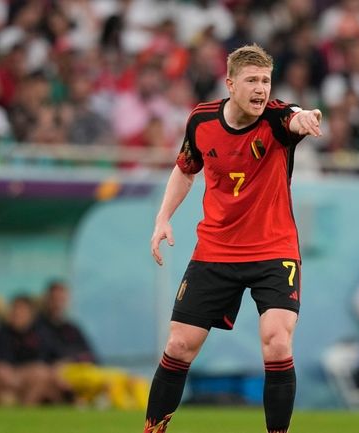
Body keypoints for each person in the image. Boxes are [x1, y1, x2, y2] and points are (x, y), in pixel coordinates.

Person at [147, 44, 322, 433]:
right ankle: (153, 430)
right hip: (217, 249)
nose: (261, 89)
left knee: (277, 342)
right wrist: (163, 218)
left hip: (273, 250)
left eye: (266, 80)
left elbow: (293, 118)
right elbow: (185, 169)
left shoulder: (276, 118)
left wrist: (304, 117)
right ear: (230, 84)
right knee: (178, 346)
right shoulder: (201, 120)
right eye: (252, 81)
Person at [0, 295, 58, 406]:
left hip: (32, 375)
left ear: (30, 314)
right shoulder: (2, 332)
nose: (17, 313)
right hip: (8, 375)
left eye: (21, 310)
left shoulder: (42, 333)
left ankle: (26, 409)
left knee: (40, 374)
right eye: (14, 309)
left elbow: (48, 360)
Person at [36, 280, 95, 364]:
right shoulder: (36, 327)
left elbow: (91, 356)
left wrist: (73, 359)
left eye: (61, 299)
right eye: (55, 299)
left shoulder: (72, 329)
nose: (58, 304)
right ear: (47, 299)